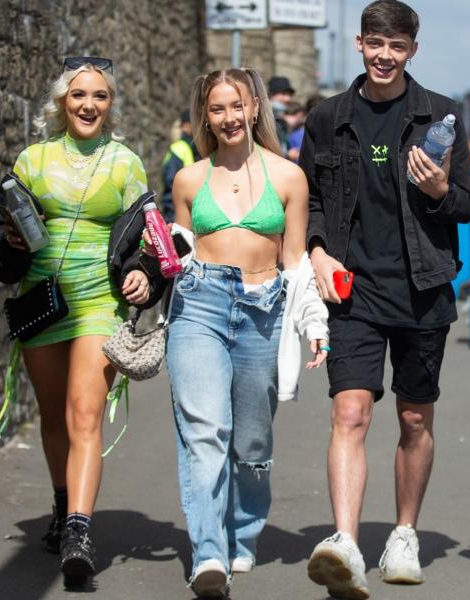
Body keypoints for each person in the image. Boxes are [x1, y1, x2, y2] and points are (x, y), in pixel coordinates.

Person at [299, 1, 470, 597]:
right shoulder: (329, 118)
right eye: (376, 43)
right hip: (353, 290)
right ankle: (346, 542)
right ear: (359, 44)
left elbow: (465, 206)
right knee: (349, 412)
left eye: (396, 46)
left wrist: (438, 189)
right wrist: (318, 252)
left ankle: (404, 533)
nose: (384, 55)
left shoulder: (442, 115)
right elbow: (311, 200)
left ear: (411, 51)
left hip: (423, 288)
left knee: (413, 416)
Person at [0, 57, 153, 589]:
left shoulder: (126, 164)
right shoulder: (31, 162)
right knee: (53, 417)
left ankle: (79, 530)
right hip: (43, 300)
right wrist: (8, 240)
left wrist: (145, 273)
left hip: (100, 300)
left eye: (99, 96)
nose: (88, 104)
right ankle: (62, 507)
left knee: (85, 415)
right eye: (79, 95)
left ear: (110, 104)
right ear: (62, 102)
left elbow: (148, 237)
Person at [164, 67, 328, 599]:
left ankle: (244, 530)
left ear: (255, 108)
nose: (229, 117)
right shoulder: (189, 180)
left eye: (237, 106)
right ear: (205, 117)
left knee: (252, 444)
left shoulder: (288, 177)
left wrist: (313, 322)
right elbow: (179, 252)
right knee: (205, 432)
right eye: (217, 108)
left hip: (264, 311)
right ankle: (208, 554)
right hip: (199, 306)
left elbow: (296, 262)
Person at [161, 109, 201, 221]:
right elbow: (171, 184)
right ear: (187, 125)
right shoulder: (179, 148)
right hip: (175, 215)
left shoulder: (193, 147)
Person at [268, 75, 295, 156]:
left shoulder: (282, 121)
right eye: (283, 94)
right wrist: (288, 154)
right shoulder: (260, 118)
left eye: (290, 95)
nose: (288, 99)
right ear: (271, 95)